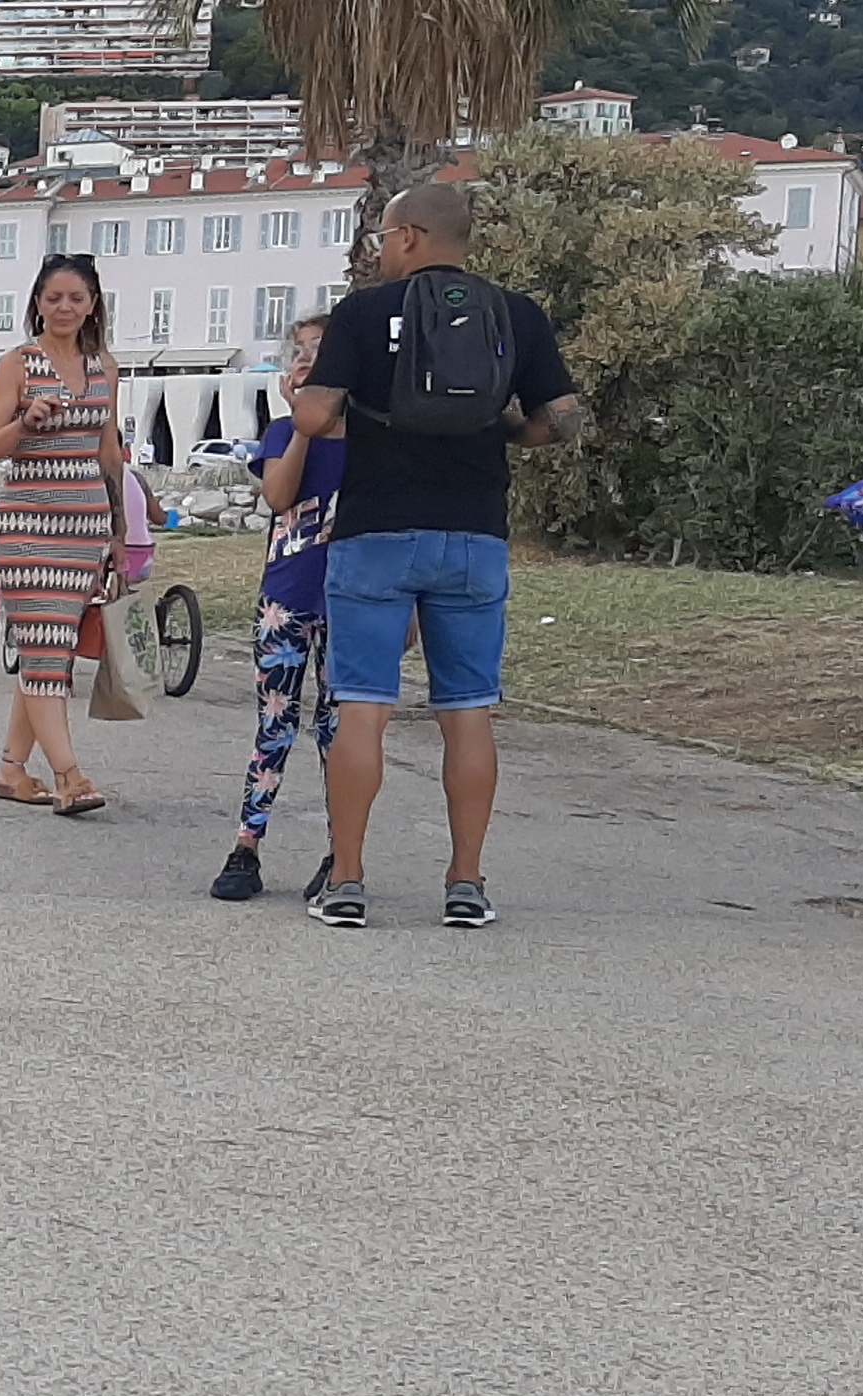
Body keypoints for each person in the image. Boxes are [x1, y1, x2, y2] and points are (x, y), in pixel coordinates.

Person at [296, 182, 586, 931]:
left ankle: (348, 881)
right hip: (474, 533)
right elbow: (564, 419)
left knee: (363, 706)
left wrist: (312, 401)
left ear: (411, 237)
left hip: (375, 532)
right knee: (467, 710)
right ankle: (466, 882)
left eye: (385, 238)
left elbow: (317, 415)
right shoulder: (516, 314)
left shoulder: (363, 313)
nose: (381, 250)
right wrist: (508, 431)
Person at [0, 253, 127, 817]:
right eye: (53, 298)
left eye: (76, 298)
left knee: (51, 649)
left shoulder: (104, 367)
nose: (64, 307)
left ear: (93, 305)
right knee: (45, 649)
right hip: (28, 525)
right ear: (37, 304)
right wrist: (24, 423)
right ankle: (70, 775)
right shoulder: (17, 364)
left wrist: (120, 531)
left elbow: (108, 452)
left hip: (85, 527)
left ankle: (12, 770)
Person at [211, 314, 347, 902]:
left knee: (340, 731)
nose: (309, 359)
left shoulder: (374, 437)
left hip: (350, 601)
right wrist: (304, 425)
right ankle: (248, 845)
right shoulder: (282, 432)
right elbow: (278, 495)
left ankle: (343, 850)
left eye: (323, 350)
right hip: (286, 599)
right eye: (301, 351)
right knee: (275, 723)